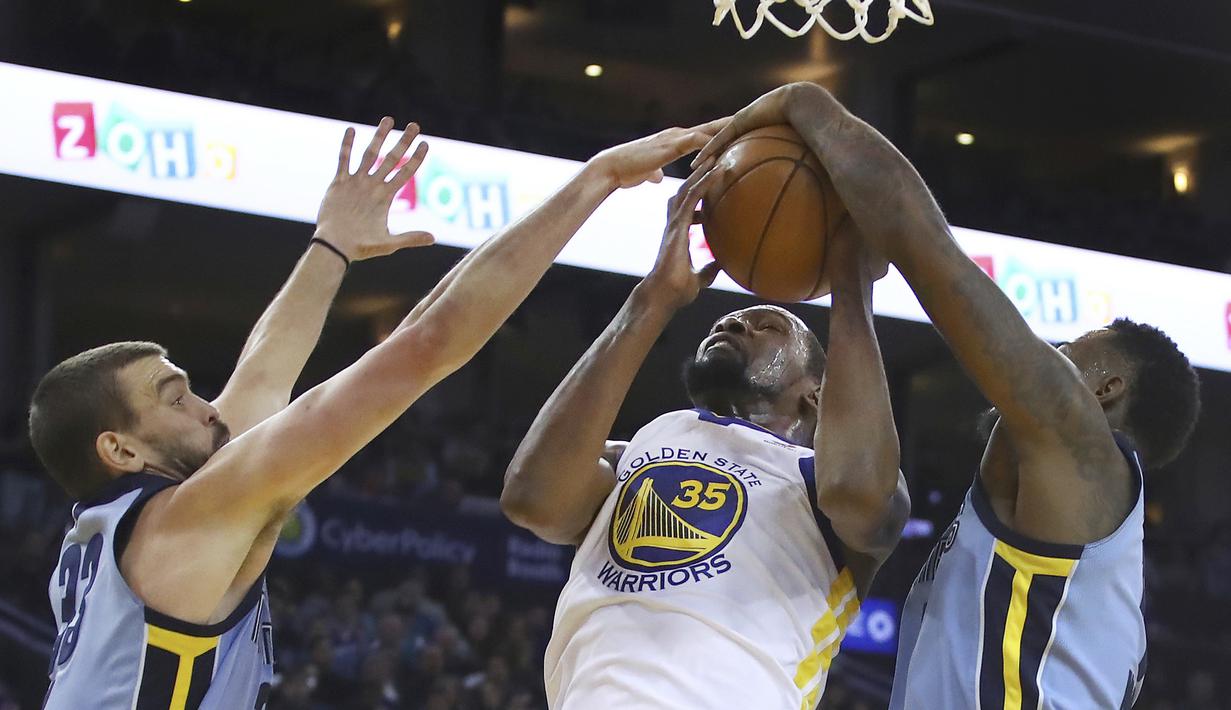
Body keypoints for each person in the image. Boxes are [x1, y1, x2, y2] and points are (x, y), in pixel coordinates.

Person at [30, 115, 723, 709]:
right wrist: (595, 179)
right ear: (120, 450)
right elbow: (427, 345)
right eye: (174, 397)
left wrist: (332, 244)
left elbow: (264, 369)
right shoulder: (188, 517)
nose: (207, 406)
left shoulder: (119, 530)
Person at [694, 82, 1202, 708]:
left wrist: (805, 103)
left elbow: (921, 241)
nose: (1045, 356)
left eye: (1067, 351)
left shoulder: (1084, 454)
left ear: (1105, 390)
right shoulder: (1073, 550)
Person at [501, 159, 909, 706]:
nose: (735, 323)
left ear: (817, 391)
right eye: (726, 323)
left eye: (768, 326)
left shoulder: (819, 481)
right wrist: (653, 298)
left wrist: (849, 285)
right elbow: (534, 499)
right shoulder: (644, 444)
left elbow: (860, 490)